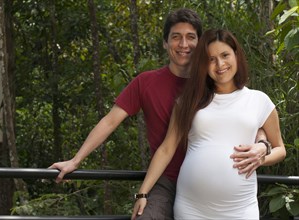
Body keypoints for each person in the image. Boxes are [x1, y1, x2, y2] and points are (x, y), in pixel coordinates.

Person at [50, 9, 269, 220]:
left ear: (200, 43)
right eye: (176, 37)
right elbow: (110, 121)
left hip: (217, 193)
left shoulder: (216, 81)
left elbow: (248, 114)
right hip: (166, 181)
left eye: (190, 37)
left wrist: (262, 143)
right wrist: (75, 160)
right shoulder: (146, 83)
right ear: (165, 43)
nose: (183, 45)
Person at [132, 29, 286, 220]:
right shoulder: (188, 101)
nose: (220, 64)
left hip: (240, 209)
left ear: (236, 55)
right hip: (191, 209)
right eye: (211, 59)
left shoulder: (259, 100)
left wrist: (261, 157)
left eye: (225, 55)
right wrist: (142, 193)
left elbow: (280, 148)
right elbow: (166, 149)